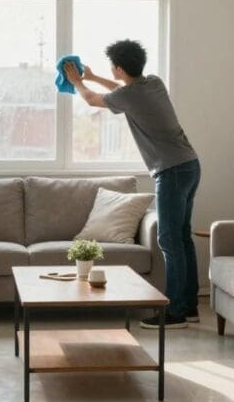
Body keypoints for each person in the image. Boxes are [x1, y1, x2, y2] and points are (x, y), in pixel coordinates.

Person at [63, 39, 200, 328]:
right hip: (189, 165)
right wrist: (94, 76)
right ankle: (189, 306)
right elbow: (122, 89)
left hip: (171, 171)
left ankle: (175, 312)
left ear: (119, 68)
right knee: (182, 237)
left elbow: (92, 100)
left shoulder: (130, 95)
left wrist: (77, 82)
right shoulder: (154, 83)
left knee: (169, 240)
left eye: (112, 67)